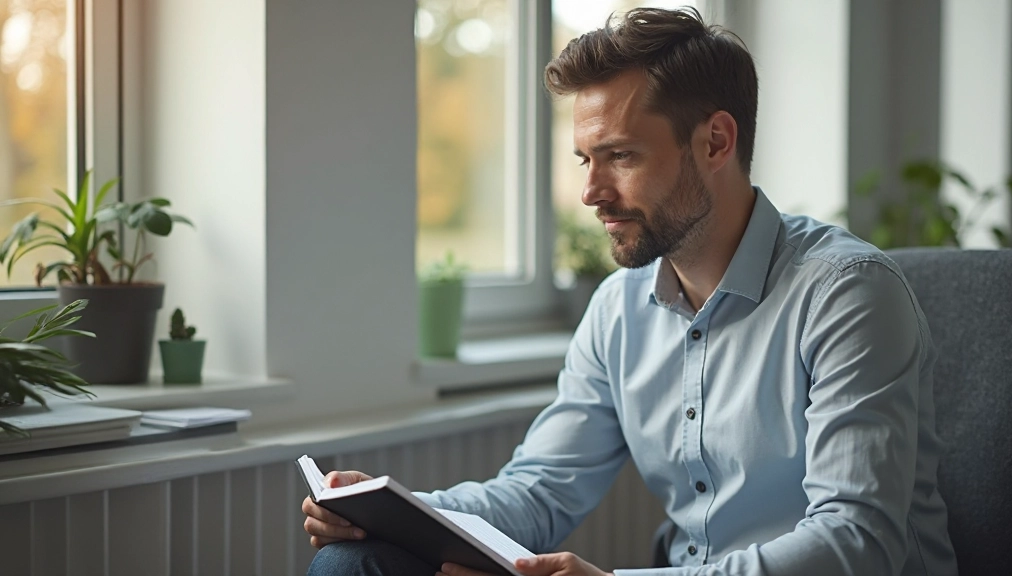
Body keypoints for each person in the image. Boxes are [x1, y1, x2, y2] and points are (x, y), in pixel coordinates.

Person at [303, 7, 958, 576]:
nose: (590, 193)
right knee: (355, 562)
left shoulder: (848, 296)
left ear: (716, 141)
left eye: (620, 156)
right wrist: (398, 510)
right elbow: (540, 493)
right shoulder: (618, 309)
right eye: (585, 159)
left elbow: (856, 543)